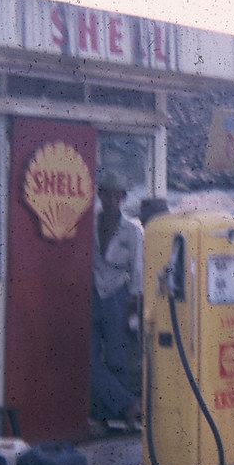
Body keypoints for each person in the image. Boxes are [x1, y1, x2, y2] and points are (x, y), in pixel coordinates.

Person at [90, 169, 143, 434]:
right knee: (87, 360)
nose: (111, 200)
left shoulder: (133, 230)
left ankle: (118, 419)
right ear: (99, 195)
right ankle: (127, 405)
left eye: (116, 196)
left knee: (116, 359)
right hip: (92, 294)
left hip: (119, 296)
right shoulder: (89, 225)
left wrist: (131, 307)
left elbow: (138, 270)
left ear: (123, 198)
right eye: (106, 194)